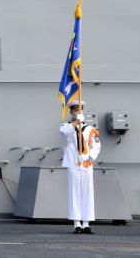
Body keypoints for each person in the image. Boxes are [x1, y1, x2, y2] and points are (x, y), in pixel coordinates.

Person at [60, 99, 101, 234]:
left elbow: (96, 146)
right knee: (74, 194)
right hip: (73, 164)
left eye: (80, 109)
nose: (78, 111)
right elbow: (64, 132)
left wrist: (88, 156)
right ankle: (76, 223)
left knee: (87, 193)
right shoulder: (66, 126)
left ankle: (86, 223)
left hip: (86, 164)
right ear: (71, 111)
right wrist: (76, 123)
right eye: (75, 109)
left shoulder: (91, 129)